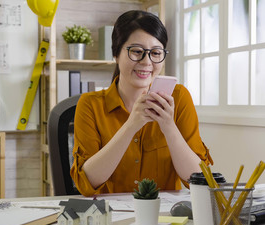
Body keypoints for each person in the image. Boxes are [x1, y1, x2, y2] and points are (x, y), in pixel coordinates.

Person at [70, 10, 213, 197]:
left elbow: (201, 180)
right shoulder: (90, 105)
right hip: (108, 217)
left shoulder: (179, 98)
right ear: (115, 54)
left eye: (155, 53)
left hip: (166, 217)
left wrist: (168, 126)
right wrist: (131, 125)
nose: (147, 62)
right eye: (137, 51)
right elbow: (86, 183)